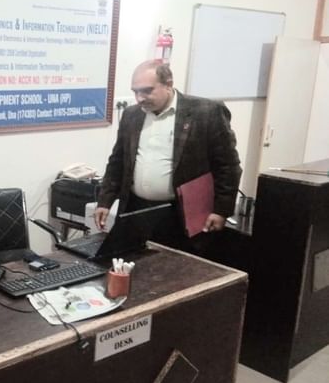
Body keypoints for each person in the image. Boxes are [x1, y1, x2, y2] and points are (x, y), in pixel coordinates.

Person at [94, 60, 242, 253]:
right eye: (135, 92)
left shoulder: (205, 112)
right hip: (136, 209)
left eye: (147, 91)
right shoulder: (131, 115)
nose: (139, 98)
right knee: (131, 261)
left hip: (179, 213)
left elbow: (228, 166)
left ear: (168, 84)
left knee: (176, 266)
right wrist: (105, 201)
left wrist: (221, 210)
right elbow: (117, 162)